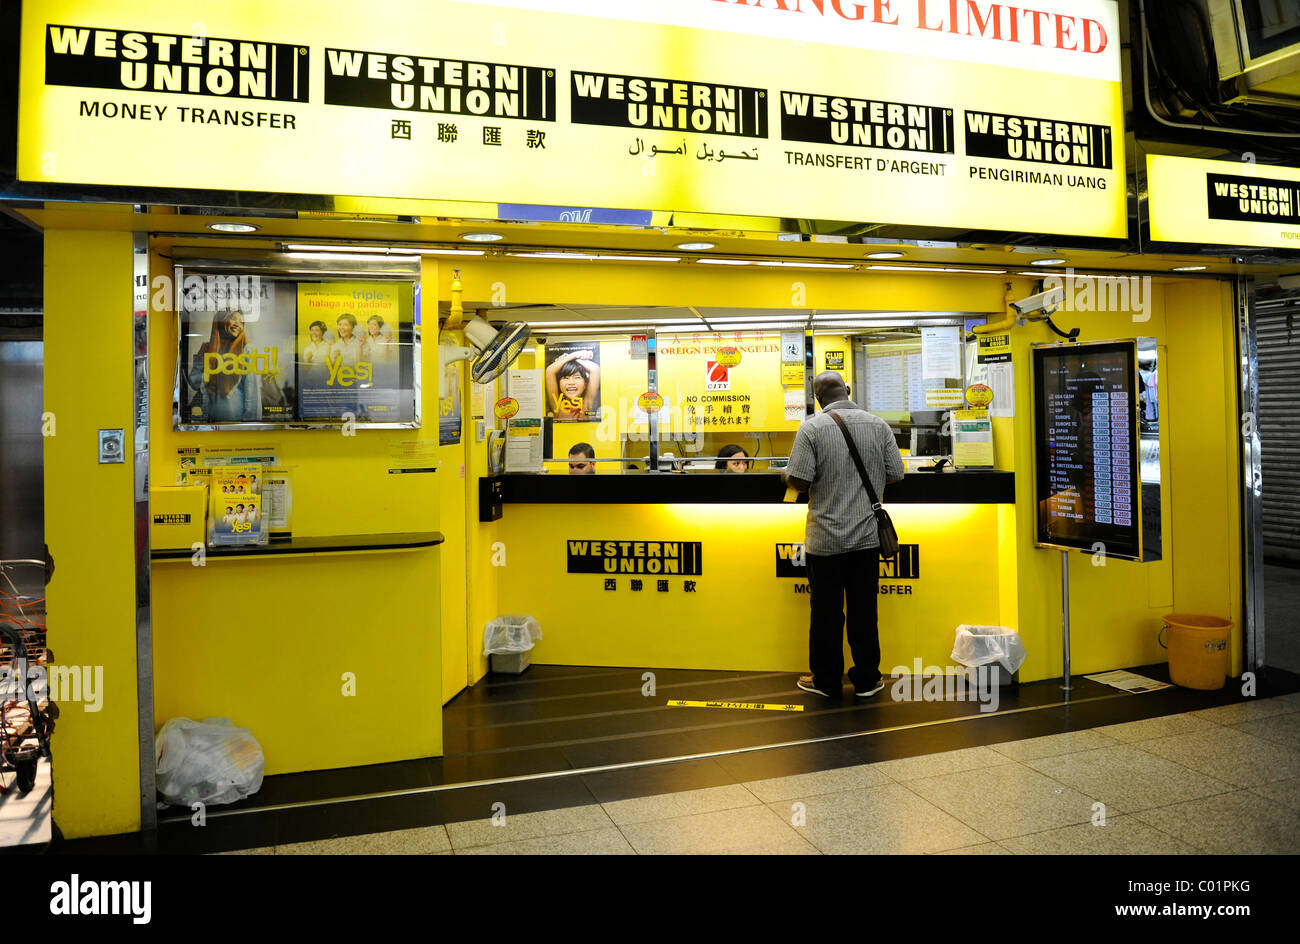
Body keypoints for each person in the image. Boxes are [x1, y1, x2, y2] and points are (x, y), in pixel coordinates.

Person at [783, 371, 904, 699]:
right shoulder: (878, 425)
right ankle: (868, 680)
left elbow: (800, 481)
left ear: (818, 398)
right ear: (847, 390)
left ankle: (826, 680)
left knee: (826, 612)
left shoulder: (811, 428)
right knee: (865, 610)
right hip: (866, 538)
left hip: (826, 539)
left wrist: (787, 476)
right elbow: (895, 473)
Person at [186, 310, 262, 422]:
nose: (238, 324)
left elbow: (252, 395)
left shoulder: (247, 351)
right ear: (221, 321)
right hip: (208, 422)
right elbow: (193, 381)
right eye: (233, 319)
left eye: (241, 322)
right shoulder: (206, 348)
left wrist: (249, 427)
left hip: (235, 425)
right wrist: (209, 374)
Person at [546, 349, 600, 420]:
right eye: (565, 378)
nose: (571, 383)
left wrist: (571, 358)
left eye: (577, 377)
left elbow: (595, 369)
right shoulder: (557, 406)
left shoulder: (587, 405)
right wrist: (573, 355)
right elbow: (550, 371)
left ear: (585, 384)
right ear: (558, 384)